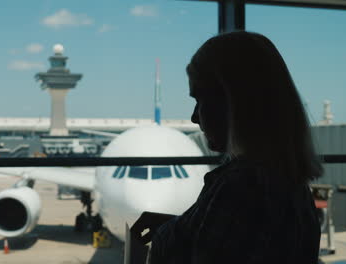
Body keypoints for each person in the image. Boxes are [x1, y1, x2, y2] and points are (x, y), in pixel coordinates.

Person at [131, 31, 323, 264]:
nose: (194, 117)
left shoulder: (241, 185)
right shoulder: (290, 181)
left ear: (235, 103)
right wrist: (178, 227)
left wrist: (169, 240)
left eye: (200, 99)